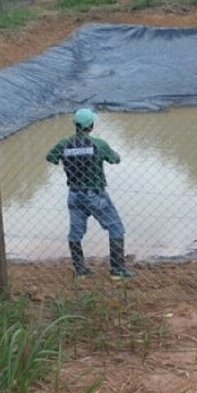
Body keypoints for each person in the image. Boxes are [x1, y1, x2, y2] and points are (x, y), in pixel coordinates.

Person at [46, 108, 134, 279]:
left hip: (74, 194)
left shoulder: (64, 144)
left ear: (76, 126)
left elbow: (51, 158)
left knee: (75, 232)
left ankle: (80, 270)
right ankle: (117, 270)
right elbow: (115, 159)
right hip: (95, 194)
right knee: (116, 227)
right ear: (91, 126)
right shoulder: (98, 144)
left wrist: (68, 160)